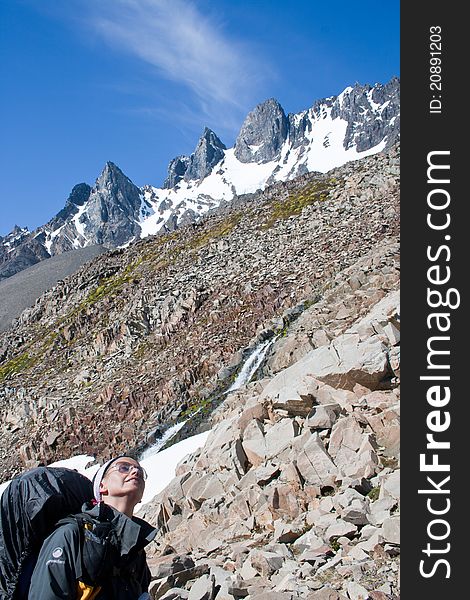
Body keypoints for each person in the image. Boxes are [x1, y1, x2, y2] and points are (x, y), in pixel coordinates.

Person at [27, 455, 156, 599]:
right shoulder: (72, 533)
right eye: (124, 468)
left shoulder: (136, 546)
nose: (135, 472)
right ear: (102, 486)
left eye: (140, 471)